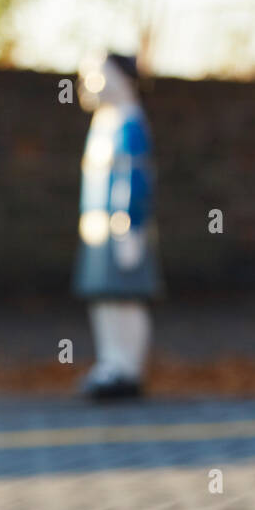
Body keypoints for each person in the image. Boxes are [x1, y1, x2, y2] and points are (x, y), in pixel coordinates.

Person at [72, 51, 163, 398]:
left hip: (121, 227)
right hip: (97, 228)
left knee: (126, 297)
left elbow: (133, 176)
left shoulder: (128, 123)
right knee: (105, 297)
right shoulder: (105, 123)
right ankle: (111, 360)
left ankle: (128, 365)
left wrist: (128, 221)